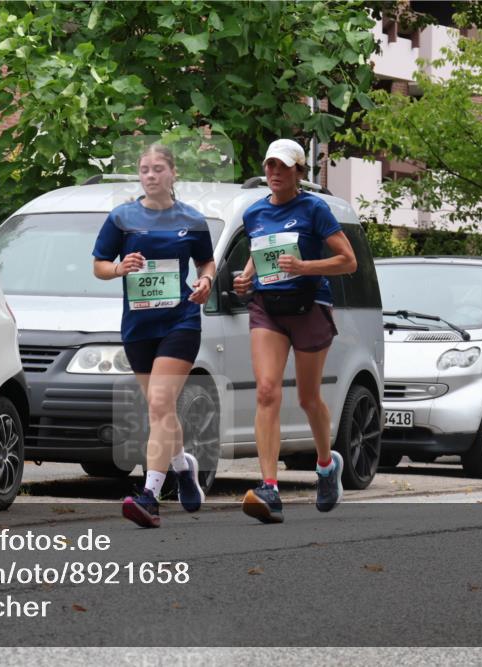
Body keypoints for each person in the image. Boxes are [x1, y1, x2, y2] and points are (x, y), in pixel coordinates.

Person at [92, 144, 217, 528]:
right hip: (138, 326)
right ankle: (183, 468)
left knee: (160, 403)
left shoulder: (192, 220)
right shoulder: (122, 218)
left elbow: (206, 261)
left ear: (173, 173)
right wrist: (119, 269)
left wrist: (206, 281)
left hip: (180, 322)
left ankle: (149, 495)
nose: (150, 175)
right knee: (161, 410)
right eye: (144, 169)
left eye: (158, 168)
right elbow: (98, 265)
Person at [233, 138, 357, 522]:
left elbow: (347, 261)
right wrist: (246, 279)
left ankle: (325, 465)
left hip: (308, 306)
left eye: (283, 167)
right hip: (268, 308)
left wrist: (305, 267)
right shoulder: (254, 213)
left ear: (299, 172)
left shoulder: (314, 209)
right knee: (267, 391)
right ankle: (269, 487)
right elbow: (260, 254)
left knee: (307, 398)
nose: (274, 173)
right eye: (270, 166)